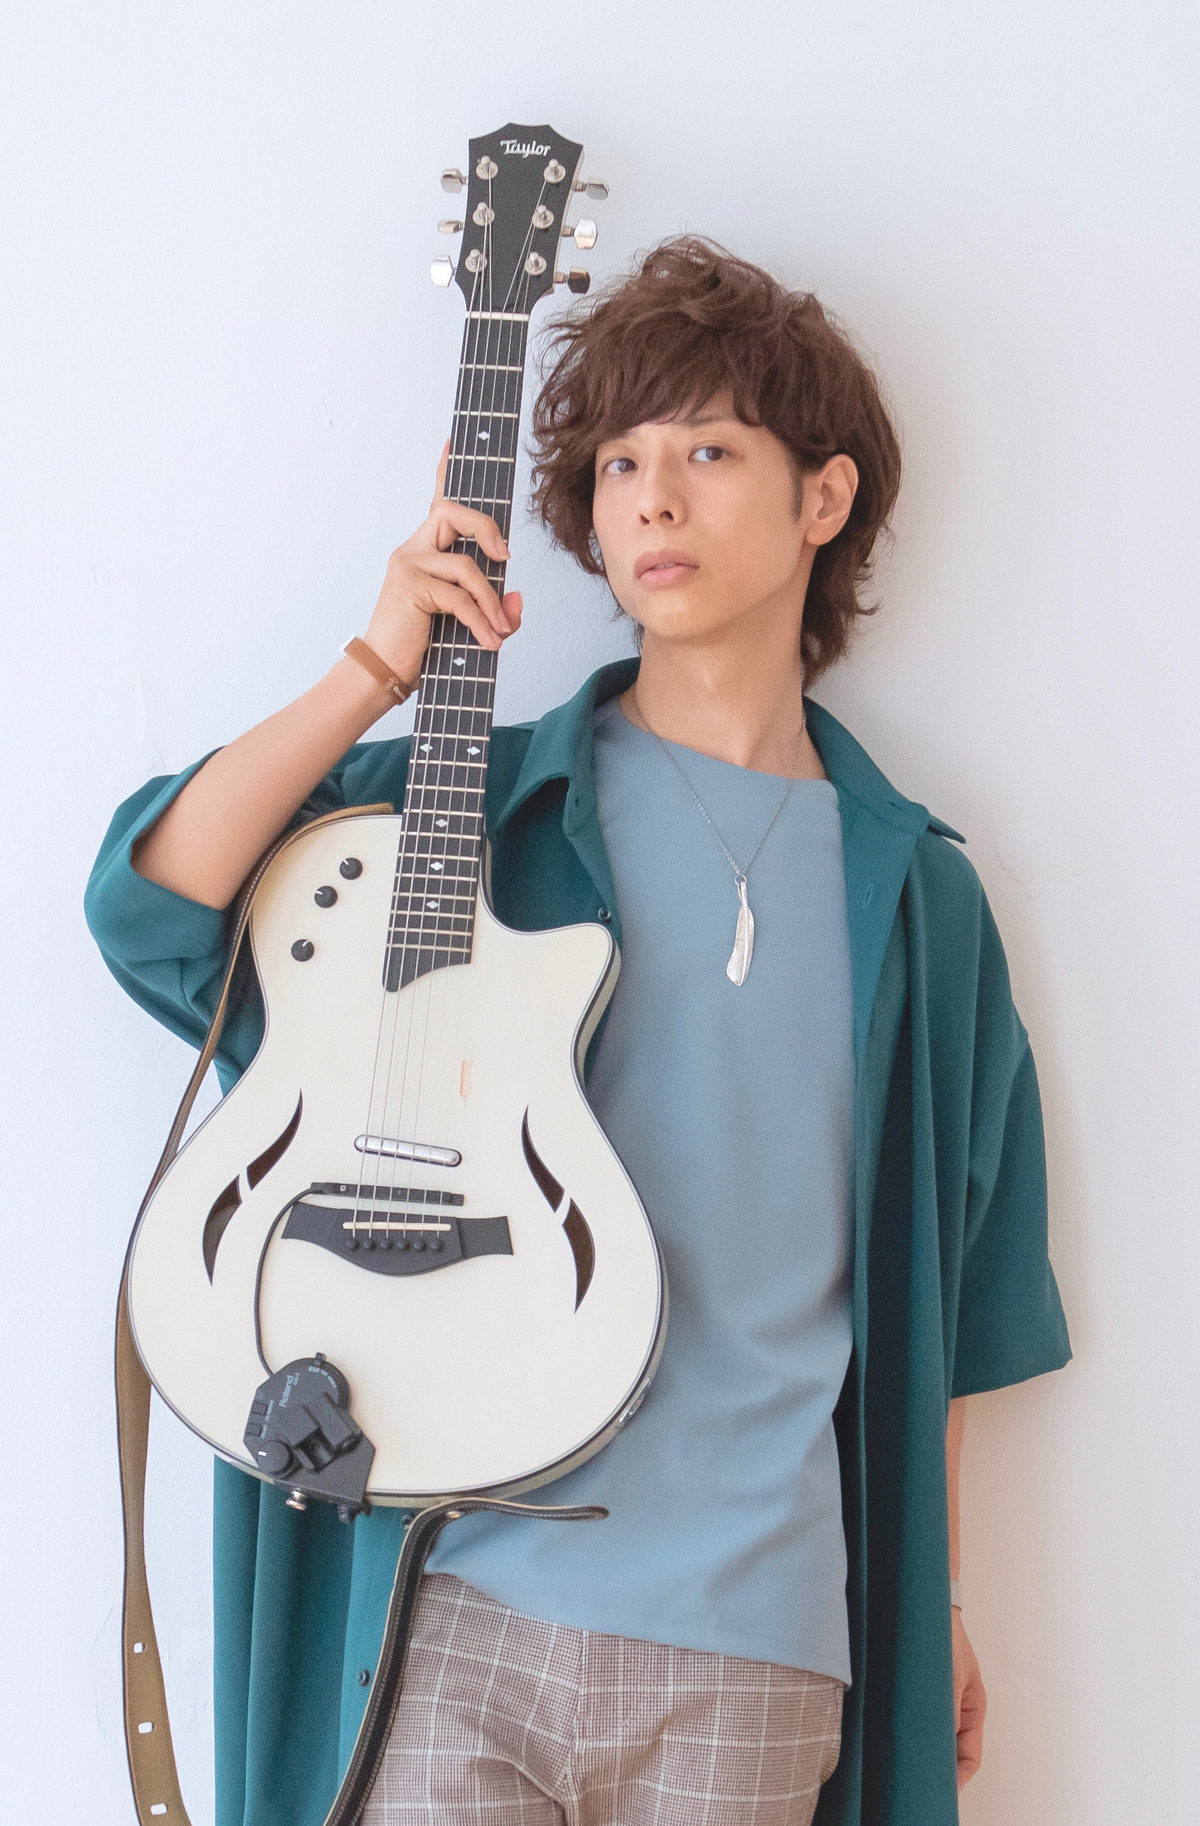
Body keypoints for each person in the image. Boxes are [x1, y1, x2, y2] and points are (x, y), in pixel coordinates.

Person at [85, 236, 1071, 1826]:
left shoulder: (918, 902)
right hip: (456, 1599)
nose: (654, 499)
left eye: (710, 451)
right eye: (619, 462)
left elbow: (952, 1299)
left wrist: (935, 1599)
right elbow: (155, 911)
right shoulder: (471, 822)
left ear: (823, 498)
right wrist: (375, 667)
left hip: (755, 1636)